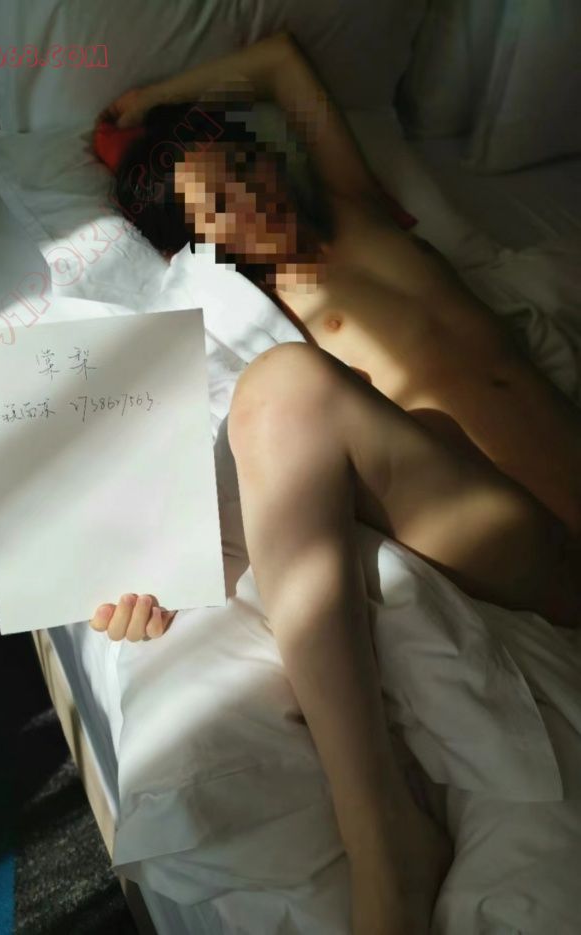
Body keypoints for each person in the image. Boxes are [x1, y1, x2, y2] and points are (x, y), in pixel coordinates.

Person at [89, 31, 581, 935]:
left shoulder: (358, 212)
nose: (250, 196)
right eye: (218, 203)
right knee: (279, 389)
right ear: (199, 240)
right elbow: (206, 451)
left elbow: (280, 61)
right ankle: (383, 837)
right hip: (526, 537)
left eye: (245, 168)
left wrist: (155, 102)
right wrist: (139, 567)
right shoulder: (256, 312)